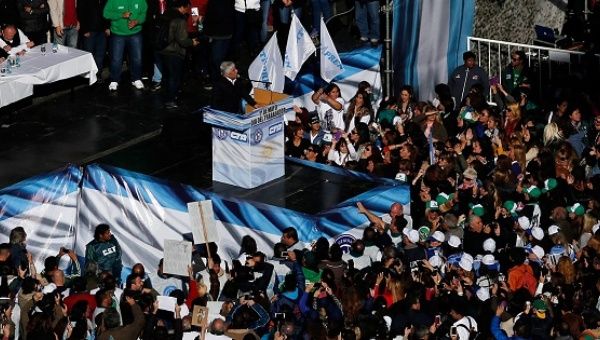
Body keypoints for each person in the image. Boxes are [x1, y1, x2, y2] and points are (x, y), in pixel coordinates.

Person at [157, 0, 199, 109]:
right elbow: (182, 40)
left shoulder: (166, 14)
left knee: (166, 76)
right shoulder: (180, 20)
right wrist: (192, 42)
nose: (188, 10)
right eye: (187, 8)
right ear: (182, 7)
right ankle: (171, 100)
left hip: (162, 49)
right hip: (174, 52)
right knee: (174, 77)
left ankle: (166, 96)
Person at [103, 0, 147, 91]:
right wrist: (121, 15)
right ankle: (114, 80)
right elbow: (106, 13)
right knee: (116, 58)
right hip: (118, 34)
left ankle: (136, 78)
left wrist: (137, 21)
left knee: (137, 58)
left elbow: (143, 14)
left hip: (136, 33)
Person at [77, 0, 109, 78]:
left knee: (100, 55)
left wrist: (107, 27)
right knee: (88, 55)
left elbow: (107, 11)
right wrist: (84, 30)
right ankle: (89, 76)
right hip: (89, 31)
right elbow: (80, 11)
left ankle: (98, 75)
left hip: (102, 31)